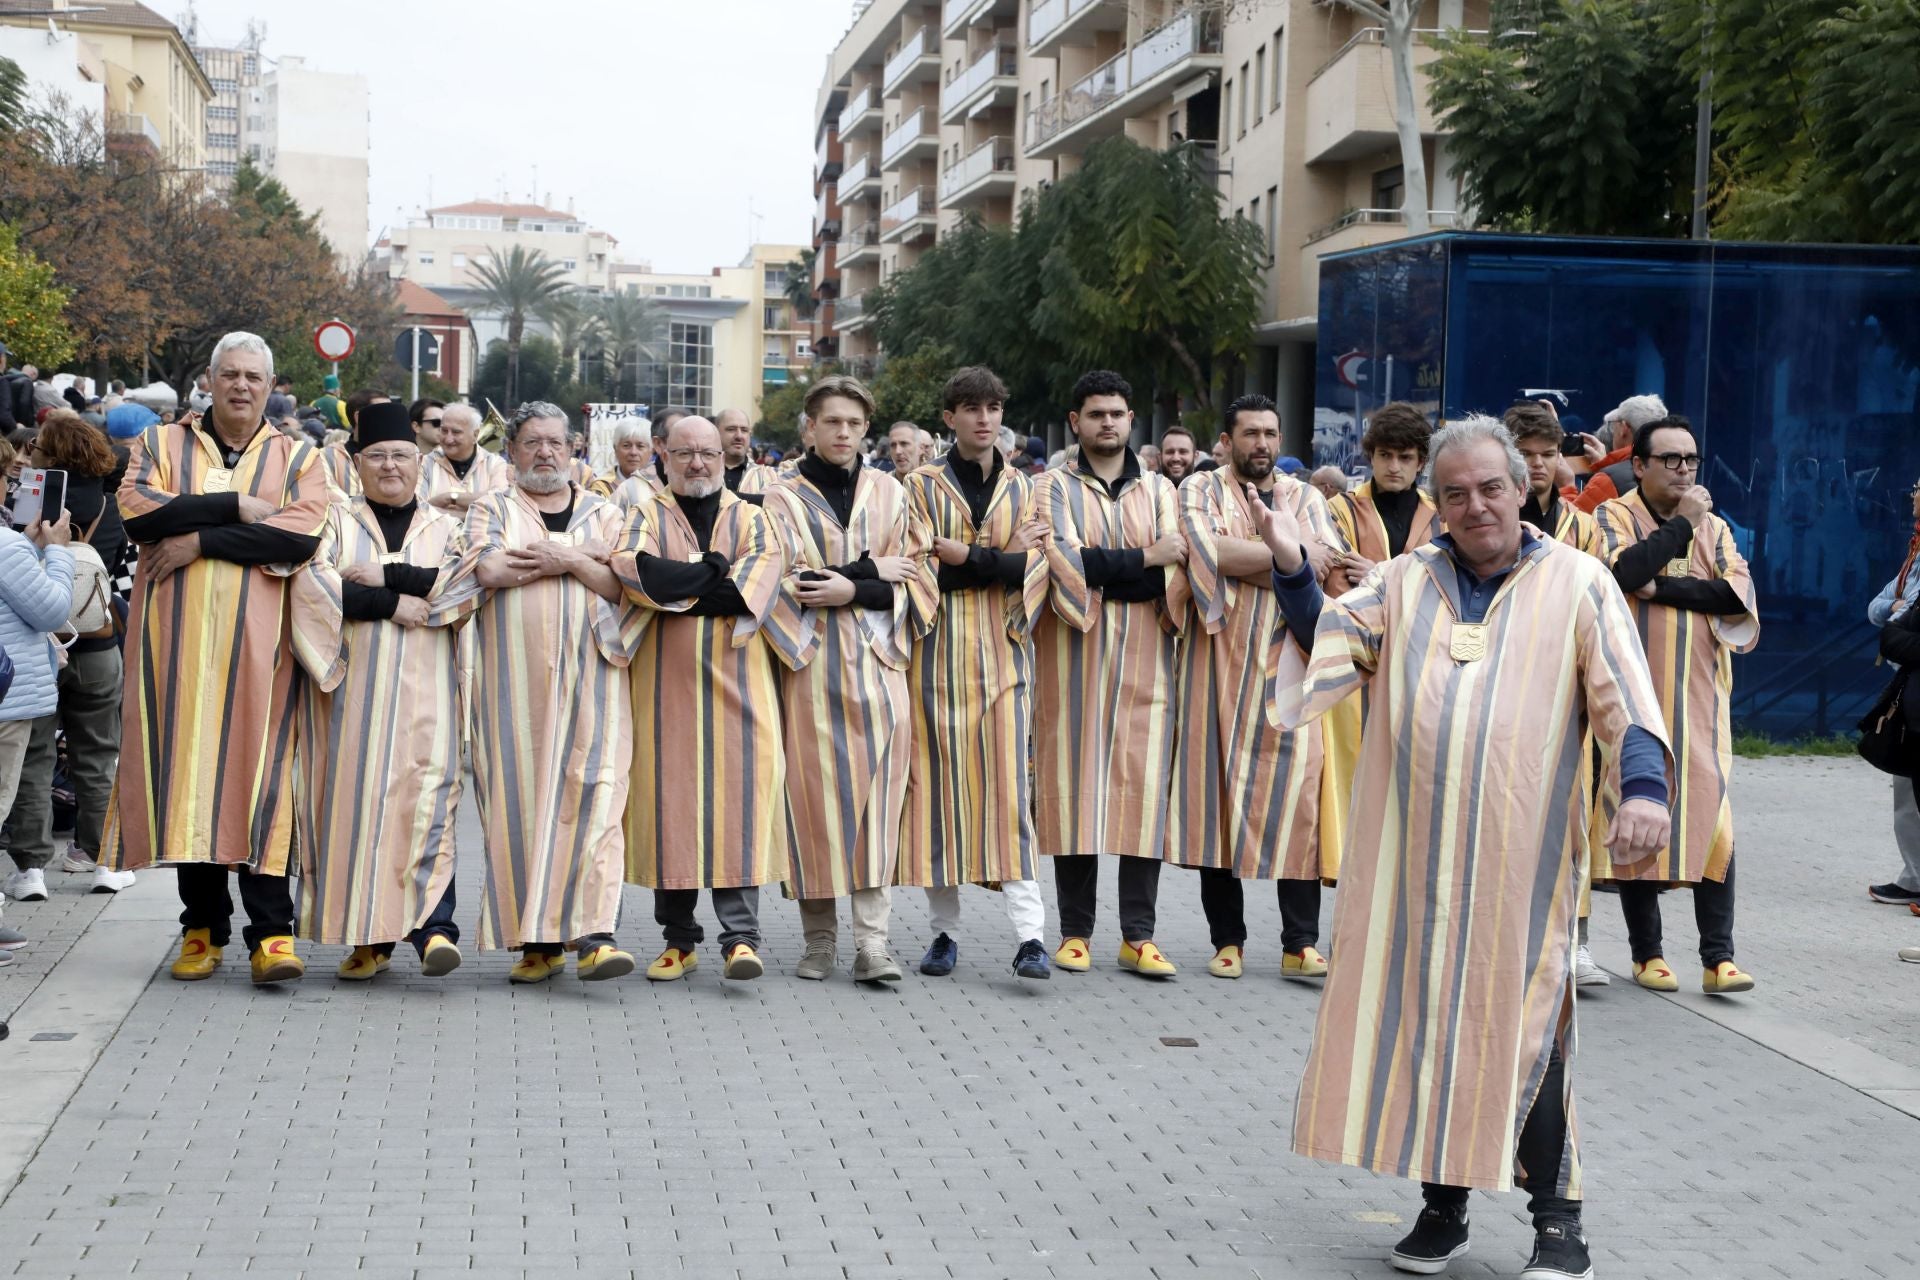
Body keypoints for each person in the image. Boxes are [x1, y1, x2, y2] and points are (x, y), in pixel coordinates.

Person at [1259, 414, 1675, 1280]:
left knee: (1526, 1032)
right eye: (1456, 494)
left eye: (1491, 488)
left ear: (1524, 489)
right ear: (1437, 505)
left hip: (1521, 867)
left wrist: (1643, 789)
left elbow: (1628, 702)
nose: (1475, 505)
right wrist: (1295, 566)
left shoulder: (1580, 582)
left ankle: (1559, 1223)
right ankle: (1443, 1210)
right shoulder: (1404, 580)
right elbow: (1325, 639)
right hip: (1410, 864)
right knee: (1426, 1028)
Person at [105, 332, 329, 985]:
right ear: (209, 380)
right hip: (173, 654)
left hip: (264, 658)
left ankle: (272, 935)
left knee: (260, 788)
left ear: (270, 383)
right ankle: (202, 928)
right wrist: (233, 506)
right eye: (229, 374)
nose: (240, 386)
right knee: (189, 787)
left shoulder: (297, 458)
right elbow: (138, 513)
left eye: (252, 377)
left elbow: (302, 533)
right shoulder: (159, 444)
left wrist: (199, 538)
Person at [436, 401, 639, 983]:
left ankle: (595, 934)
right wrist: (579, 562)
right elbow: (489, 571)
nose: (545, 453)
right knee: (520, 808)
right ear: (512, 452)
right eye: (532, 443)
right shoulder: (492, 508)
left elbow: (619, 583)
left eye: (555, 442)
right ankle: (538, 943)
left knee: (598, 797)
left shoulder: (606, 511)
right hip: (511, 683)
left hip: (598, 679)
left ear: (573, 448)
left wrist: (561, 556)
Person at [762, 376, 935, 983]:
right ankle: (817, 940)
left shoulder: (892, 492)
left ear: (867, 430)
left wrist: (850, 587)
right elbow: (781, 580)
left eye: (854, 424)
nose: (843, 433)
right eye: (831, 422)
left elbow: (916, 577)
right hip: (809, 670)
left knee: (877, 807)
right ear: (808, 427)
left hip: (879, 667)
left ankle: (874, 943)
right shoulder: (781, 498)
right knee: (811, 805)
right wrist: (864, 573)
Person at [288, 403, 467, 980]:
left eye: (401, 457)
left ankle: (435, 929)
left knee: (429, 806)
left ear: (421, 464)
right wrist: (395, 604)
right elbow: (313, 584)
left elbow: (466, 591)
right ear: (356, 463)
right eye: (378, 457)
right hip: (350, 695)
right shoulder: (334, 521)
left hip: (430, 693)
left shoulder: (448, 529)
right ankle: (370, 940)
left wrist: (389, 582)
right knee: (357, 814)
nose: (390, 467)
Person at [610, 414, 791, 982]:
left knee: (740, 805)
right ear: (663, 455)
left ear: (723, 456)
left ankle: (741, 938)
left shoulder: (755, 518)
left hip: (742, 685)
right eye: (685, 453)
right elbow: (637, 576)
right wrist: (714, 570)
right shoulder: (643, 513)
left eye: (708, 453)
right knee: (672, 808)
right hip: (665, 691)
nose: (698, 463)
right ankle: (679, 939)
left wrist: (683, 583)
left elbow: (747, 593)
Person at [1166, 395, 1338, 981]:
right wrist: (1287, 556)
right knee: (1220, 797)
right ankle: (1228, 940)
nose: (1261, 443)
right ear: (1226, 440)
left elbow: (1321, 564)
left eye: (1270, 432)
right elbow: (1205, 552)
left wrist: (1269, 559)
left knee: (1301, 797)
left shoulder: (1308, 496)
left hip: (1291, 666)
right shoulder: (1197, 490)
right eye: (1249, 434)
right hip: (1218, 667)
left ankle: (1301, 942)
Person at [1594, 414, 1761, 995]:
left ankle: (1719, 958)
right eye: (1670, 460)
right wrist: (1681, 529)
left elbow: (1735, 593)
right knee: (1639, 812)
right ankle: (1649, 953)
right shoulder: (1613, 515)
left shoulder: (1717, 527)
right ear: (1638, 465)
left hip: (1700, 700)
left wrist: (1661, 589)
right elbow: (1620, 573)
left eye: (1690, 460)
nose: (1684, 470)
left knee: (1714, 819)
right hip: (1633, 696)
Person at [899, 367, 1052, 981]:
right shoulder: (918, 484)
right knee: (937, 794)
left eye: (992, 406)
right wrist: (1001, 556)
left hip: (1006, 655)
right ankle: (943, 933)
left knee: (1011, 792)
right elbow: (919, 568)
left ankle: (1031, 936)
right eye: (970, 407)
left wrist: (975, 557)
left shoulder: (1027, 486)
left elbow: (1039, 568)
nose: (983, 418)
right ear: (950, 417)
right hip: (935, 657)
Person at [1032, 370, 1186, 977]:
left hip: (1148, 655)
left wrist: (1116, 568)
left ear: (1130, 420)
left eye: (1117, 414)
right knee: (1076, 787)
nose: (1107, 423)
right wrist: (1143, 559)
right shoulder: (1048, 488)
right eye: (1095, 413)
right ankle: (1075, 933)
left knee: (1141, 790)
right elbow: (1062, 561)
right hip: (1074, 654)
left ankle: (1139, 935)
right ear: (1075, 421)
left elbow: (1179, 564)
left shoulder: (1161, 490)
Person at [1, 412, 134, 899]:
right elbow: (121, 567)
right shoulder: (110, 503)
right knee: (97, 753)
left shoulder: (31, 499)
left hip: (37, 640)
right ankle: (100, 859)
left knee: (35, 755)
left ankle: (31, 869)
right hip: (98, 641)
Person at [1506, 400, 1611, 986]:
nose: (1540, 466)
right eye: (1528, 455)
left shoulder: (1583, 526)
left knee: (1574, 813)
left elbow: (1597, 599)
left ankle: (1577, 938)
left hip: (1566, 683)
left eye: (1548, 455)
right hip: (1503, 678)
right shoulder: (1481, 513)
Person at [0, 508, 76, 940]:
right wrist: (58, 552)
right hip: (7, 701)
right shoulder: (5, 546)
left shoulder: (11, 547)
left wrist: (28, 547)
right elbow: (52, 610)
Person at [1868, 474, 1920, 910]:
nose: (1914, 494)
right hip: (1910, 682)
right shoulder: (1914, 551)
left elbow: (1900, 623)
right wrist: (1897, 612)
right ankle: (1914, 877)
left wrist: (1898, 617)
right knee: (1906, 784)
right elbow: (1881, 607)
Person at [1573, 394, 1666, 514]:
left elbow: (1569, 526)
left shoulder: (1607, 480)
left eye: (1613, 424)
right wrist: (1604, 467)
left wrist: (1566, 484)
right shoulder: (1672, 469)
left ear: (1623, 428)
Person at [418, 403, 510, 514]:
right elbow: (419, 509)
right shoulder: (424, 463)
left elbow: (500, 504)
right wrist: (475, 513)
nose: (448, 439)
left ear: (475, 435)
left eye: (456, 432)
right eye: (444, 431)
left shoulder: (495, 464)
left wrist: (449, 498)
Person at [714, 407, 776, 500]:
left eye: (744, 430)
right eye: (731, 429)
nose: (739, 436)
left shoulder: (768, 477)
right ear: (716, 432)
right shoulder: (702, 472)